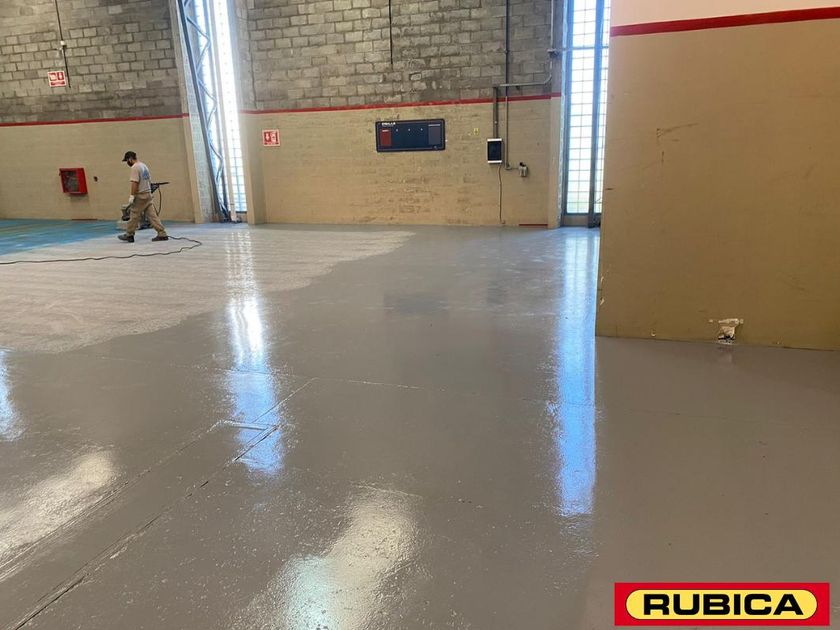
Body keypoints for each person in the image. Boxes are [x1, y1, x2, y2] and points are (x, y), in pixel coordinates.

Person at [118, 151, 168, 243]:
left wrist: (132, 196)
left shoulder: (135, 167)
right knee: (152, 216)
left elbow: (134, 183)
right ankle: (162, 233)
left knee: (134, 215)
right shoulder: (144, 166)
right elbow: (149, 180)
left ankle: (129, 234)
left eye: (127, 160)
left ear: (130, 159)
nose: (127, 163)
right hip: (148, 194)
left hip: (140, 195)